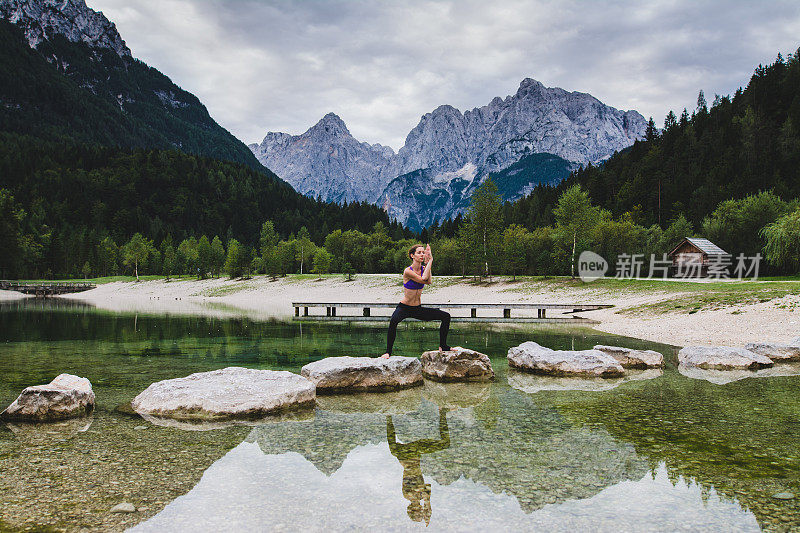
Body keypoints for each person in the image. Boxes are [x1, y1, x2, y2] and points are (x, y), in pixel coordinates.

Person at [381, 244, 451, 358]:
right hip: (404, 307)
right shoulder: (408, 271)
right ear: (412, 255)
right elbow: (423, 279)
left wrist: (428, 264)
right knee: (393, 322)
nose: (422, 254)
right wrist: (430, 261)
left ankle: (443, 346)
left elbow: (429, 281)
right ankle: (388, 352)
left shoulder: (424, 269)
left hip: (417, 309)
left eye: (423, 252)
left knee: (446, 316)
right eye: (419, 252)